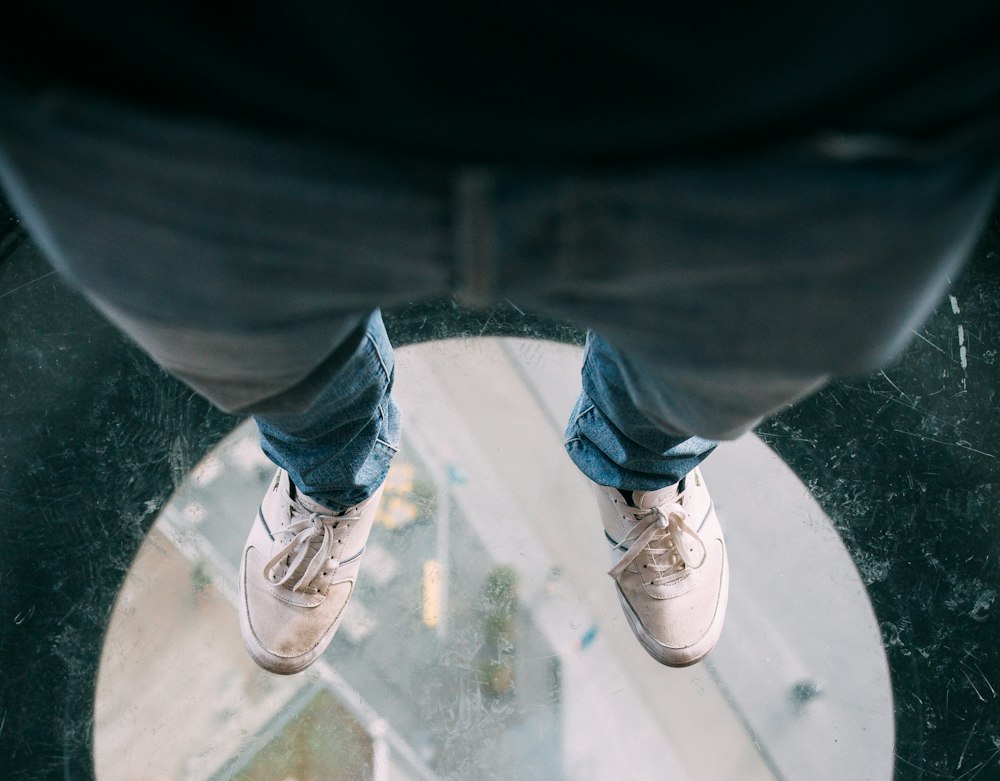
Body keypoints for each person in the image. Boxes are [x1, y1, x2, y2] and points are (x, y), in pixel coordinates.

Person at [0, 6, 998, 676]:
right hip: (172, 83)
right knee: (271, 366)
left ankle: (641, 467)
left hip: (814, 101)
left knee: (716, 375)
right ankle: (332, 480)